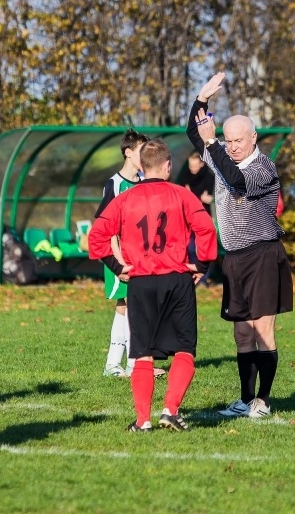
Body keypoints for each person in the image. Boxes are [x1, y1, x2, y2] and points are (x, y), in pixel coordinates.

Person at [88, 140, 217, 432]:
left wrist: (118, 267)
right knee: (185, 349)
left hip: (141, 282)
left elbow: (96, 237)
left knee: (141, 352)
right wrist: (203, 265)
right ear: (168, 166)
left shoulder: (124, 199)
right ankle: (170, 410)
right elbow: (206, 229)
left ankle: (143, 420)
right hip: (177, 279)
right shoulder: (182, 195)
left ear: (142, 168)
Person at [187, 72, 293, 419]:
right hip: (234, 258)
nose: (230, 146)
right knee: (241, 333)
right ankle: (245, 399)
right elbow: (194, 133)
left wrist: (213, 145)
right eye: (227, 140)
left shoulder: (263, 168)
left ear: (253, 138)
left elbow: (238, 183)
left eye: (237, 141)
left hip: (262, 254)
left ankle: (263, 400)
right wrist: (202, 99)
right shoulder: (223, 160)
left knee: (263, 329)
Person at [94, 129, 165, 379]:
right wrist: (119, 263)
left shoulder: (145, 183)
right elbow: (107, 227)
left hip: (141, 257)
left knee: (136, 307)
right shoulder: (114, 184)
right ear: (128, 152)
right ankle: (117, 364)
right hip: (120, 258)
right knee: (126, 306)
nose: (146, 155)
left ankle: (135, 363)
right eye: (141, 151)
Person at [176, 150, 215, 286]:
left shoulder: (209, 178)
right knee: (190, 247)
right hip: (187, 219)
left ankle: (205, 278)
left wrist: (208, 199)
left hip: (203, 217)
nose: (192, 169)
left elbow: (211, 198)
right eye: (190, 165)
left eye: (195, 165)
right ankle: (192, 275)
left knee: (203, 248)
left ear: (202, 164)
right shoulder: (184, 176)